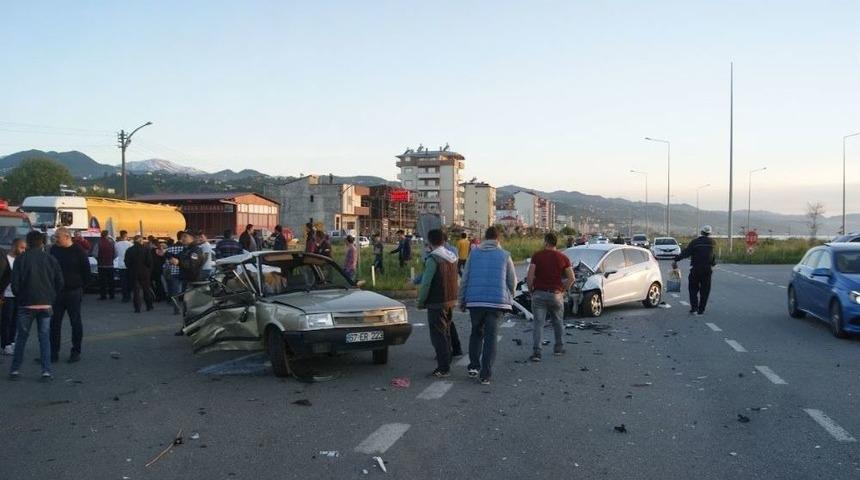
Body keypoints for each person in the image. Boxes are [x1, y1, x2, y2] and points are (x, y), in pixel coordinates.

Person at [459, 226, 517, 385]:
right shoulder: (505, 255)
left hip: (475, 302)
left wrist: (462, 300)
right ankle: (485, 374)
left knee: (476, 333)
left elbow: (465, 278)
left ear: (485, 237)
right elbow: (512, 281)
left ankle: (473, 366)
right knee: (491, 337)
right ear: (498, 239)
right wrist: (510, 298)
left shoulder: (474, 253)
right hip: (496, 303)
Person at [9, 231, 63, 380]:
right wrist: (51, 296)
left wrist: (20, 296)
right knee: (44, 338)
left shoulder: (21, 259)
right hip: (45, 304)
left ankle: (15, 369)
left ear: (28, 242)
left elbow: (15, 283)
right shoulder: (51, 259)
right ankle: (46, 371)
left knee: (21, 338)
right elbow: (60, 282)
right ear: (42, 243)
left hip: (26, 304)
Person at [417, 229, 460, 378]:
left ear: (429, 241)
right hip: (451, 300)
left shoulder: (433, 259)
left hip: (437, 302)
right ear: (443, 241)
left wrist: (421, 301)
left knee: (438, 335)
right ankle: (447, 360)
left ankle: (443, 368)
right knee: (446, 332)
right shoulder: (452, 256)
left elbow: (426, 283)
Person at [526, 232, 575, 362]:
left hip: (539, 294)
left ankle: (537, 352)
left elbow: (530, 276)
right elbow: (572, 278)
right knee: (558, 322)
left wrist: (531, 290)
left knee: (538, 324)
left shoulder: (537, 256)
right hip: (556, 294)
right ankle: (559, 348)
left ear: (546, 242)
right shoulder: (563, 258)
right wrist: (563, 290)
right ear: (555, 243)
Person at [49, 227, 90, 363]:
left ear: (67, 237)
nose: (55, 239)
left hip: (74, 291)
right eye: (55, 237)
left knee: (75, 322)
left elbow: (86, 272)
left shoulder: (78, 251)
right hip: (57, 292)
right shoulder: (54, 250)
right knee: (54, 323)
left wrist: (81, 288)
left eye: (58, 237)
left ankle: (76, 351)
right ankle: (53, 352)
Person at [673, 225, 717, 315]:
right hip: (707, 270)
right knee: (705, 290)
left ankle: (694, 308)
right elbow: (713, 256)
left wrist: (676, 259)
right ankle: (701, 309)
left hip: (696, 269)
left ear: (701, 232)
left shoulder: (695, 242)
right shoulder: (712, 242)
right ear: (710, 233)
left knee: (693, 288)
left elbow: (686, 253)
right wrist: (713, 263)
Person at [1, 239, 25, 355]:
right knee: (7, 320)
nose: (23, 250)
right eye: (21, 248)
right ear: (14, 246)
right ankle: (5, 344)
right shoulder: (4, 259)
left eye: (24, 248)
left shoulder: (21, 260)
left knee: (15, 320)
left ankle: (11, 342)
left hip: (18, 295)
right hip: (6, 295)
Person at [125, 235, 154, 313]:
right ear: (141, 241)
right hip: (144, 272)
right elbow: (149, 262)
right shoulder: (146, 249)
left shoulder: (129, 250)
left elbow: (127, 262)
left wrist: (130, 269)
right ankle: (149, 305)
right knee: (146, 289)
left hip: (133, 272)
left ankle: (137, 308)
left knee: (136, 291)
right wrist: (149, 270)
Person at [164, 232, 185, 315]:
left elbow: (167, 263)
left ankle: (176, 309)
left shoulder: (170, 249)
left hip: (174, 272)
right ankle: (187, 308)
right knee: (187, 291)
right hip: (185, 272)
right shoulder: (185, 248)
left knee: (175, 292)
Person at [93, 230, 116, 300]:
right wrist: (111, 259)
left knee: (102, 282)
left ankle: (103, 296)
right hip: (110, 265)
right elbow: (115, 254)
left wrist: (98, 259)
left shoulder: (98, 243)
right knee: (111, 281)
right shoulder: (111, 243)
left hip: (101, 265)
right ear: (107, 235)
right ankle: (112, 295)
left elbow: (95, 254)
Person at [114, 230, 133, 303]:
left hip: (120, 265)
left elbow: (116, 254)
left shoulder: (116, 244)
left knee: (123, 282)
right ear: (126, 235)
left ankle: (124, 296)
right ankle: (129, 295)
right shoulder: (130, 244)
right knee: (129, 281)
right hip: (129, 265)